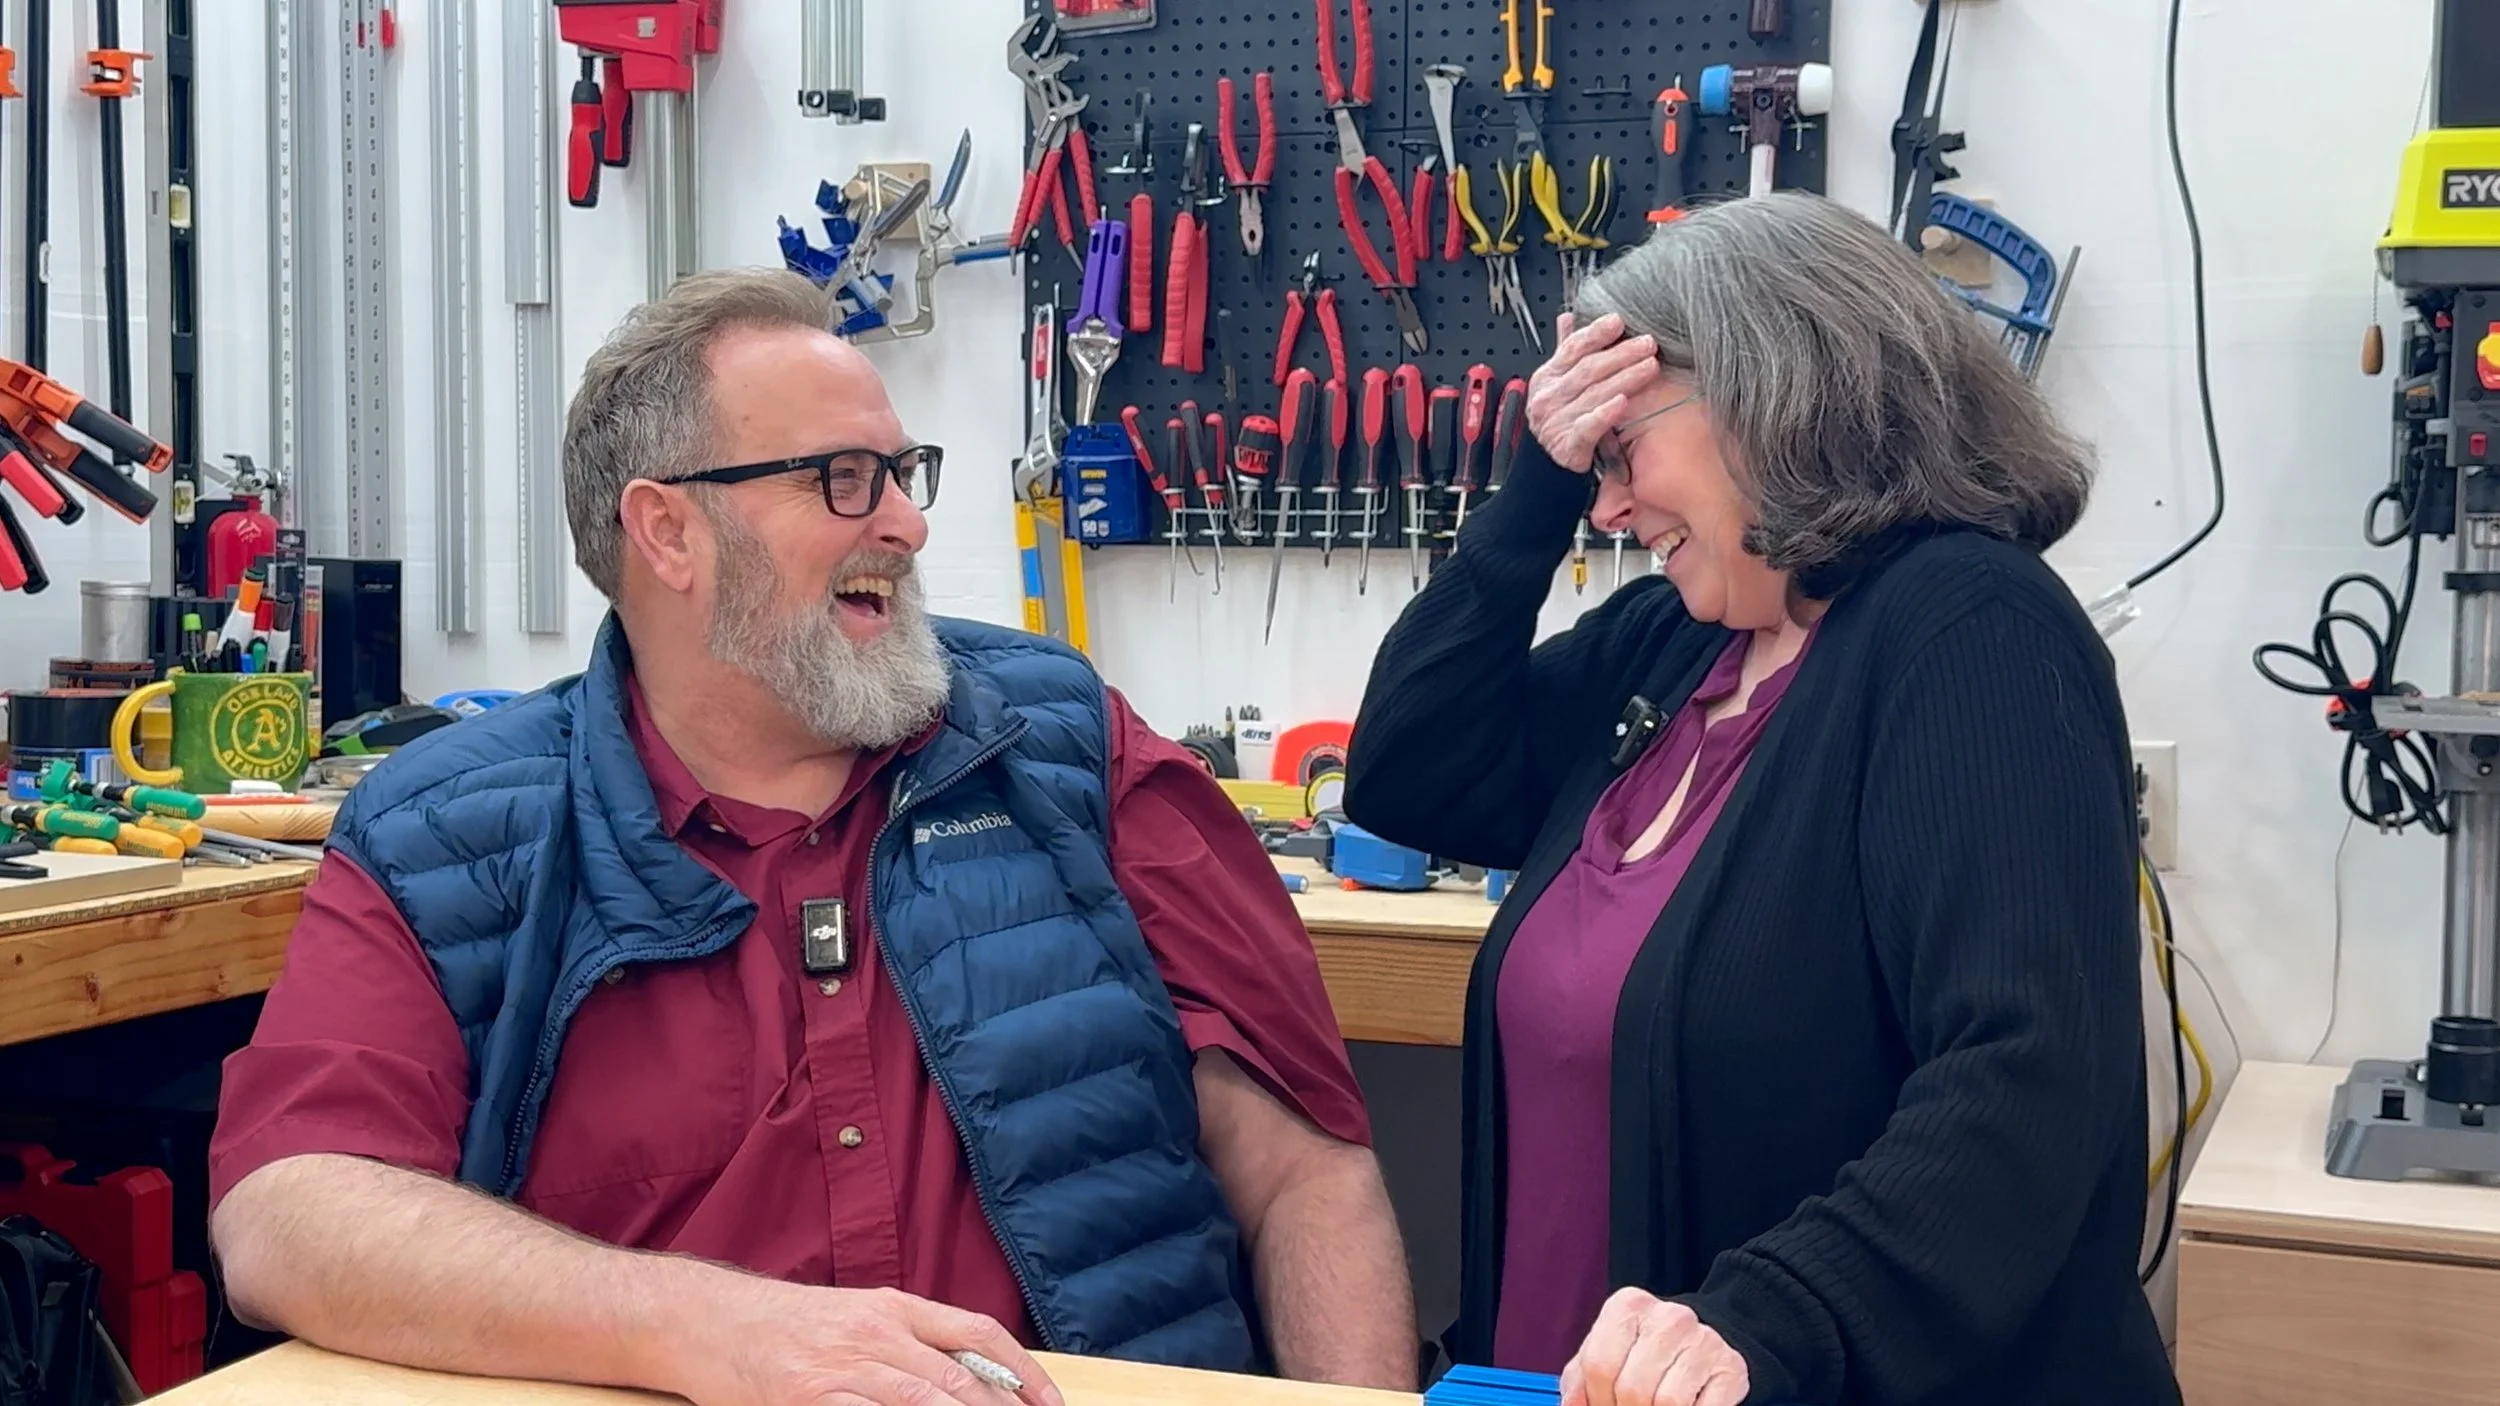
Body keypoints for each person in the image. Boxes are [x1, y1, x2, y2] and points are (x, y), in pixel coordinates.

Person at [209, 269, 1417, 1406]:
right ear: (667, 533)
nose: (906, 525)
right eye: (843, 477)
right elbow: (286, 1210)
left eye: (903, 472)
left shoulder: (1061, 743)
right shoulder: (449, 834)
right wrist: (703, 1326)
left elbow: (1307, 1169)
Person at [1343, 192, 2180, 1406]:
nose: (1611, 505)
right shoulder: (1678, 645)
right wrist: (1535, 493)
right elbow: (1411, 769)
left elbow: (2024, 1082)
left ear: (1768, 392)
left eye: (1622, 451)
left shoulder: (1971, 629)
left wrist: (1765, 1326)